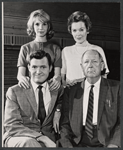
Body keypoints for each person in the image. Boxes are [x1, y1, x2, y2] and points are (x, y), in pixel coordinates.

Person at [60, 50, 120, 147]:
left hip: (107, 141)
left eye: (94, 61)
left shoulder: (116, 88)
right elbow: (64, 124)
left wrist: (114, 143)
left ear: (102, 65)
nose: (90, 65)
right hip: (78, 141)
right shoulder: (71, 90)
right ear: (82, 67)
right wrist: (68, 146)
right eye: (86, 62)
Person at [3, 50, 64, 147]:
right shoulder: (15, 91)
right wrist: (40, 137)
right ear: (28, 68)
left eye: (43, 67)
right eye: (34, 67)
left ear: (50, 68)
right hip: (20, 136)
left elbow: (63, 102)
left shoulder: (57, 90)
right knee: (30, 143)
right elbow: (12, 125)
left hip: (49, 139)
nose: (38, 71)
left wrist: (58, 110)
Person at [17, 9, 62, 91]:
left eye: (44, 24)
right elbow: (20, 74)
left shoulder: (56, 48)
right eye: (37, 24)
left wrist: (57, 79)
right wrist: (21, 78)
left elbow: (57, 74)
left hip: (50, 90)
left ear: (48, 27)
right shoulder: (25, 48)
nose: (41, 28)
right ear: (32, 26)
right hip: (30, 90)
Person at [61, 11, 109, 87]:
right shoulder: (66, 51)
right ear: (71, 32)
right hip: (70, 94)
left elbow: (104, 76)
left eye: (81, 29)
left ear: (87, 30)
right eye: (74, 30)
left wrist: (81, 81)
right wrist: (65, 85)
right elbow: (63, 77)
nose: (78, 34)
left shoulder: (97, 50)